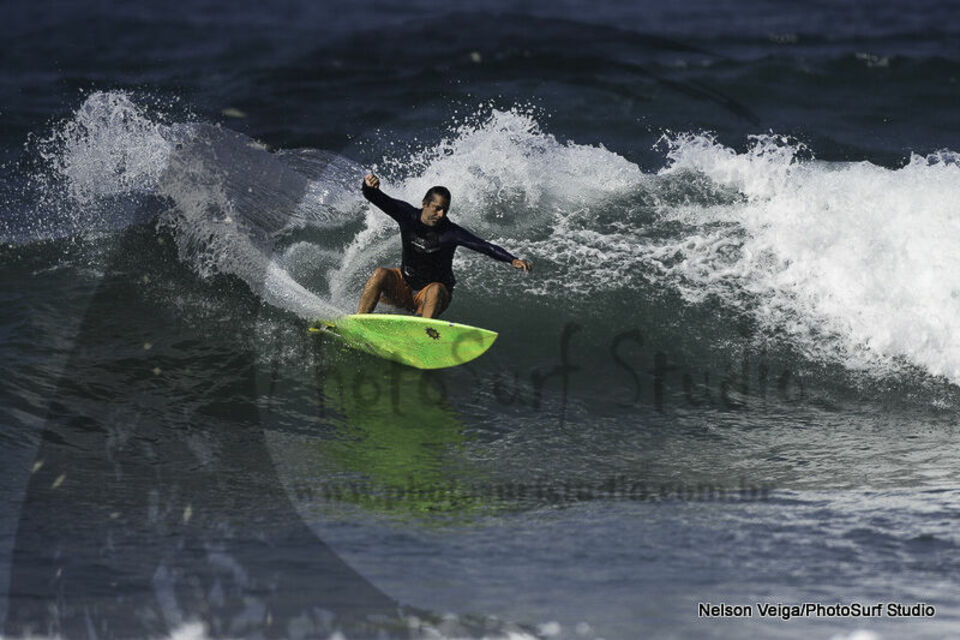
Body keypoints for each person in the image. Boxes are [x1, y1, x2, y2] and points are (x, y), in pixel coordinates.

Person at [357, 173, 532, 319]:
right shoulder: (406, 215)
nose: (441, 215)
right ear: (425, 203)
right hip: (404, 287)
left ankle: (423, 335)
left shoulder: (451, 232)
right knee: (380, 274)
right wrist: (368, 185)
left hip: (431, 296)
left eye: (445, 210)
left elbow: (483, 246)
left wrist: (512, 260)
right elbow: (375, 197)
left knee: (436, 289)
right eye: (437, 208)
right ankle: (360, 322)